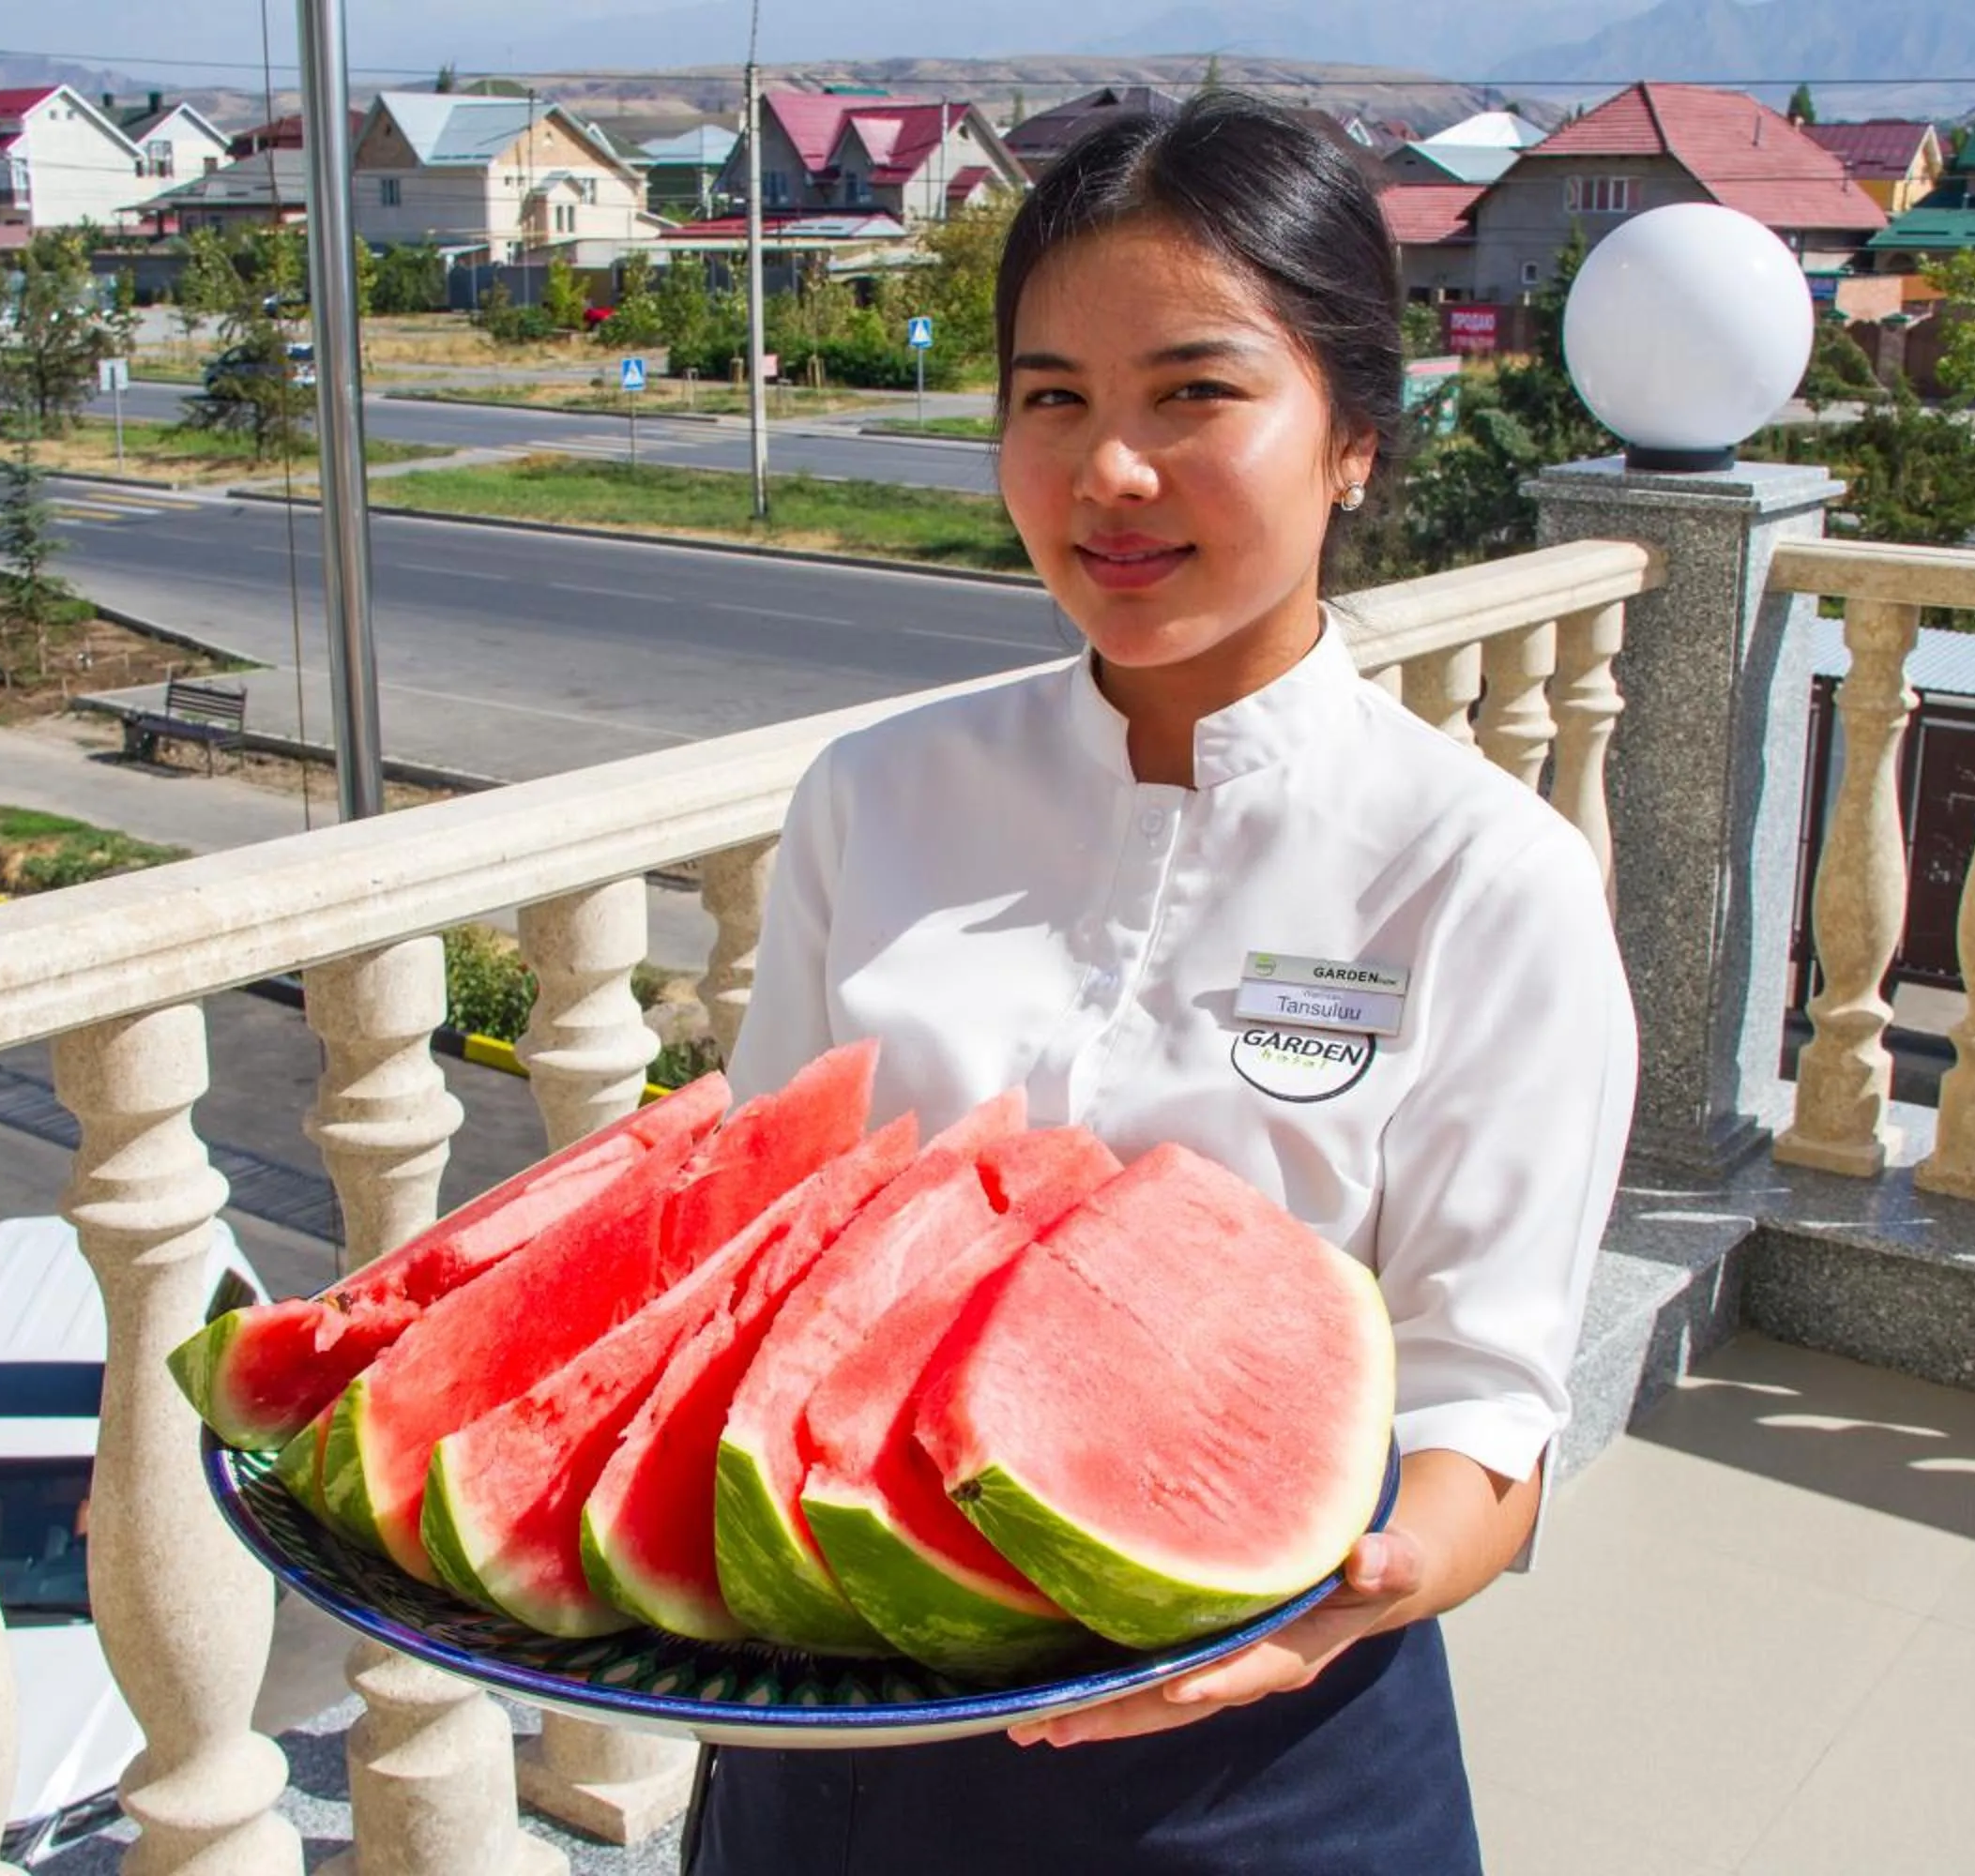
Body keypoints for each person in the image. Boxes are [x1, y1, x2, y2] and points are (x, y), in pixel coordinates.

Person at [690, 90, 1637, 1875]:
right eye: (1052, 400)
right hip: (837, 1727)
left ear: (1353, 433)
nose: (1108, 473)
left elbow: (1481, 1410)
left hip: (1259, 1763)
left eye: (1193, 396)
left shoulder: (1478, 876)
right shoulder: (871, 798)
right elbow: (761, 1260)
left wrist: (1361, 1590)